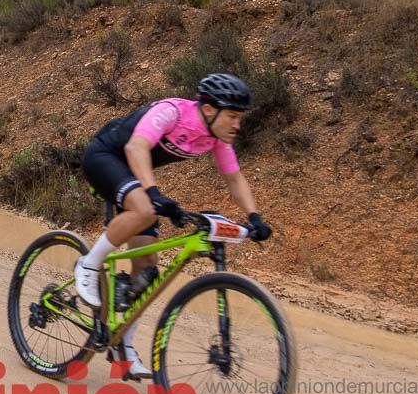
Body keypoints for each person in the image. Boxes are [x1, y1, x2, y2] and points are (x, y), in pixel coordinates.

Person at [72, 73, 273, 378]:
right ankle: (89, 264)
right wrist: (153, 193)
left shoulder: (215, 138)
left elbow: (234, 179)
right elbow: (136, 147)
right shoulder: (173, 112)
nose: (237, 124)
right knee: (144, 208)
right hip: (106, 156)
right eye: (232, 116)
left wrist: (255, 218)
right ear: (209, 109)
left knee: (147, 266)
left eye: (239, 117)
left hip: (134, 173)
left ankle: (122, 346)